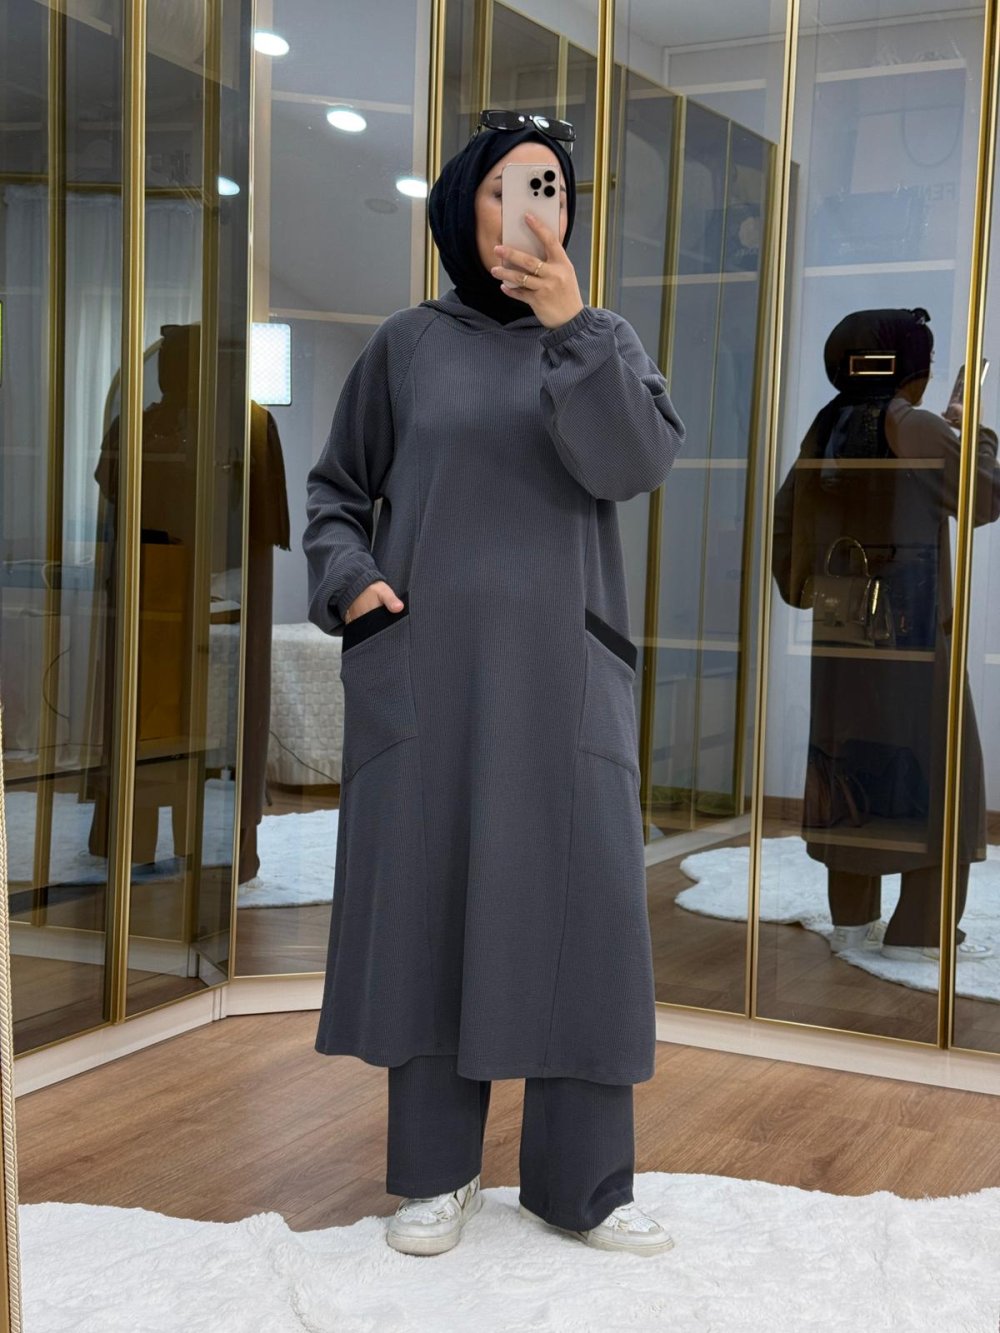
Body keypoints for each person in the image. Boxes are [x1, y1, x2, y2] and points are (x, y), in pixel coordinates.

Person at [302, 110, 685, 1257]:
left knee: (582, 919)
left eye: (554, 189)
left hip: (565, 675)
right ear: (464, 204)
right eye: (515, 186)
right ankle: (435, 1173)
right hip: (430, 675)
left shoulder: (604, 339)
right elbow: (334, 493)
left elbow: (632, 462)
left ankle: (584, 1187)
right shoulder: (406, 346)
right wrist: (354, 587)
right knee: (432, 908)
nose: (536, 209)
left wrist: (573, 328)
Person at [772, 307, 999, 966]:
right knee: (944, 780)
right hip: (915, 641)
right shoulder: (915, 425)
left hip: (841, 641)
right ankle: (920, 933)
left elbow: (789, 531)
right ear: (912, 371)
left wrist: (813, 587)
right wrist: (972, 431)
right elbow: (985, 496)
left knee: (850, 771)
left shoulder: (825, 427)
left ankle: (852, 921)